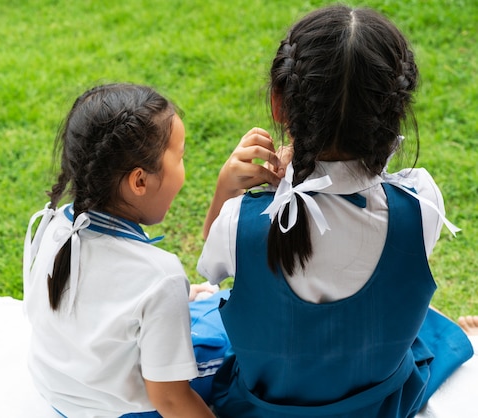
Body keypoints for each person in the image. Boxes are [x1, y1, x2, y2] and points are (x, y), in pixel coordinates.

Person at [197, 5, 474, 417]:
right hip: (381, 404)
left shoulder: (242, 221)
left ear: (278, 105)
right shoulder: (420, 201)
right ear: (396, 110)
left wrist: (226, 191)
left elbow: (213, 267)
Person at [22, 83, 214, 417]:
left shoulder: (58, 223)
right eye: (181, 157)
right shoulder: (159, 275)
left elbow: (99, 303)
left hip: (62, 397)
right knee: (229, 342)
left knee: (199, 308)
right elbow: (169, 399)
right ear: (139, 181)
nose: (184, 169)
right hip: (124, 412)